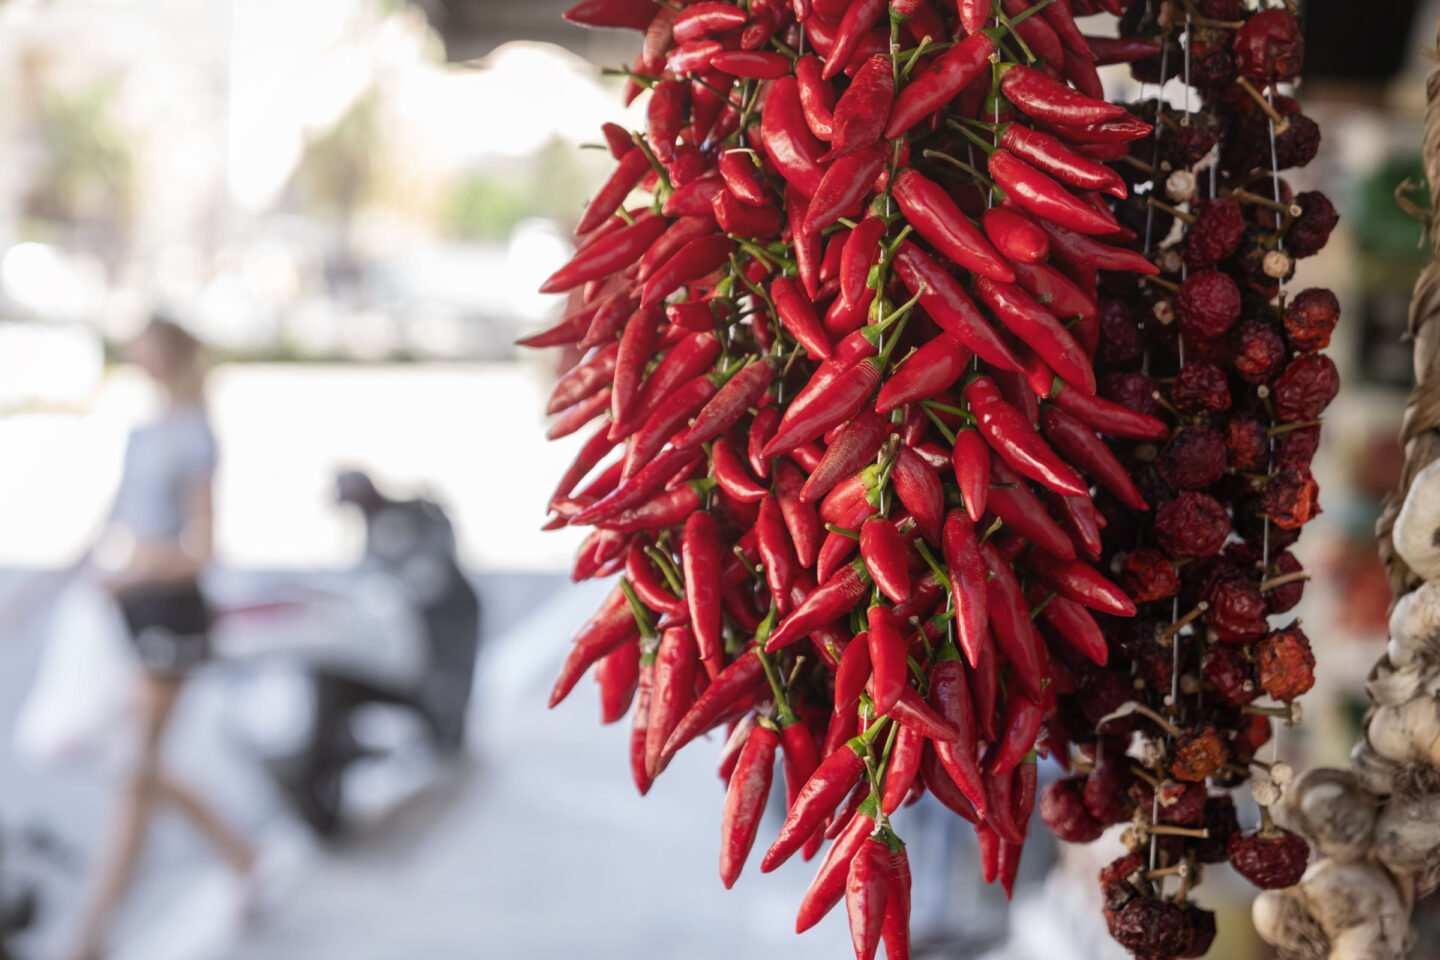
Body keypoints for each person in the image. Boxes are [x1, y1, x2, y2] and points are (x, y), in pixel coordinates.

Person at [64, 317, 255, 960]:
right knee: (138, 770)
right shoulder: (142, 430)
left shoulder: (194, 434)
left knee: (135, 772)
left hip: (171, 615)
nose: (131, 353)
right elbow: (107, 523)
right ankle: (239, 852)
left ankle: (93, 931)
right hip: (135, 610)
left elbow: (202, 548)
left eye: (142, 343)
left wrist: (139, 568)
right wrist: (35, 593)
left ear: (164, 352)